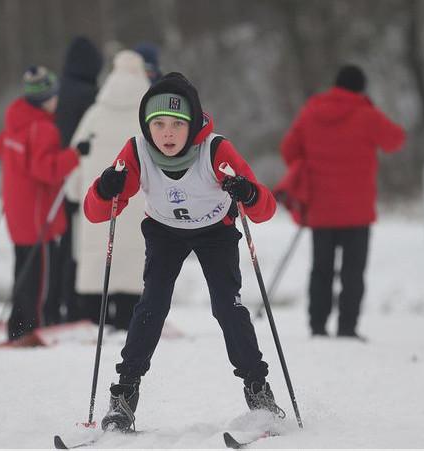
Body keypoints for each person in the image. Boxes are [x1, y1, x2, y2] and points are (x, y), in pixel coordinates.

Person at [83, 72, 283, 432]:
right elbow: (97, 212)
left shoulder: (216, 149)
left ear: (192, 123)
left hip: (215, 232)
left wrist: (248, 193)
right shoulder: (137, 150)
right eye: (158, 124)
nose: (168, 133)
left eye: (177, 123)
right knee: (152, 305)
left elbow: (265, 209)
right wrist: (103, 188)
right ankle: (124, 395)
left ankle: (259, 392)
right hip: (164, 232)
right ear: (147, 126)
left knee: (227, 306)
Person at [279, 64, 405, 339]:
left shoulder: (311, 111)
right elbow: (396, 139)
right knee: (353, 272)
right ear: (361, 88)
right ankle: (347, 327)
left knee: (321, 269)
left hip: (320, 210)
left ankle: (317, 326)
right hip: (357, 212)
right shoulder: (366, 115)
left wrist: (308, 165)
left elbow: (289, 149)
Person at [0, 65, 87, 341]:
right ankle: (33, 328)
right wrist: (74, 155)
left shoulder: (15, 123)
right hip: (37, 217)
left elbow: (1, 148)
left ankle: (17, 325)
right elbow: (46, 170)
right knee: (41, 279)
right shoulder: (44, 128)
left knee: (23, 271)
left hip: (17, 212)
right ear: (46, 98)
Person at [66, 50, 150, 330]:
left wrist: (75, 192)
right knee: (134, 259)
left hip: (101, 201)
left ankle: (94, 319)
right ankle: (129, 319)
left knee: (98, 256)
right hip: (137, 201)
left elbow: (76, 156)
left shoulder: (95, 114)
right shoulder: (149, 116)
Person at [51, 36, 104, 325]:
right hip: (79, 177)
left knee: (63, 247)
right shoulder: (88, 96)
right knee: (79, 247)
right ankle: (77, 308)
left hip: (57, 175)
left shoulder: (61, 91)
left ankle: (57, 305)